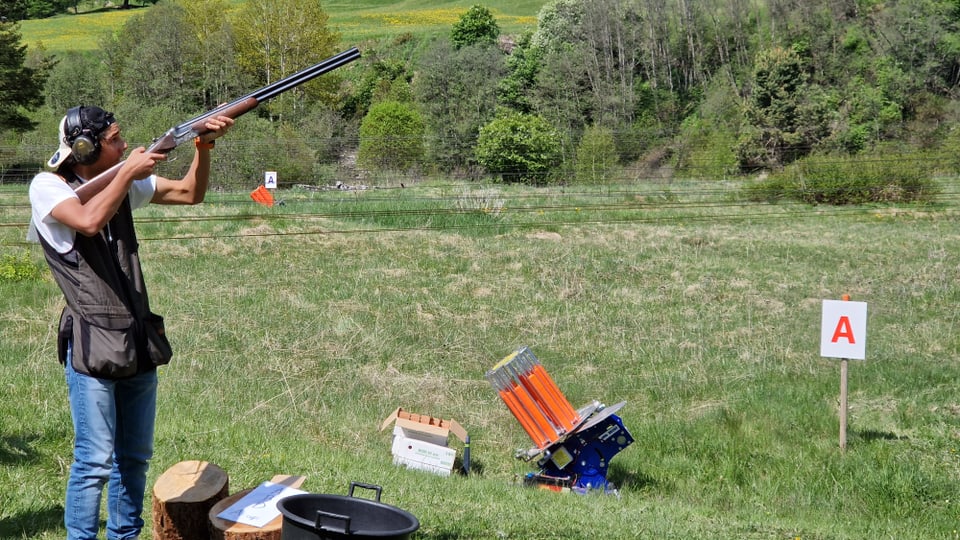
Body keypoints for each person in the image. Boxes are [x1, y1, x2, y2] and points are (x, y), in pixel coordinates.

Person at [28, 105, 233, 540]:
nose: (125, 145)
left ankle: (125, 536)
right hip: (92, 344)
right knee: (94, 461)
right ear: (85, 148)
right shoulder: (48, 186)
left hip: (138, 339)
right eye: (116, 140)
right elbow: (87, 220)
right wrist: (127, 171)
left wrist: (203, 145)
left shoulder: (120, 180)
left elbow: (189, 194)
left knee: (135, 457)